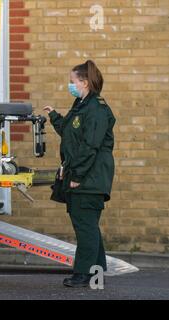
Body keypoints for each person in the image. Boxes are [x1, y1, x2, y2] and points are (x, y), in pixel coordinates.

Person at [43, 60, 116, 288]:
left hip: (89, 180)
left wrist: (77, 177)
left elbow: (89, 146)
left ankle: (83, 274)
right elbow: (70, 132)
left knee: (85, 227)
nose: (70, 84)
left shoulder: (96, 109)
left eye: (72, 81)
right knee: (88, 227)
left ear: (84, 82)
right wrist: (54, 116)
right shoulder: (82, 105)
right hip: (85, 177)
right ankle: (96, 273)